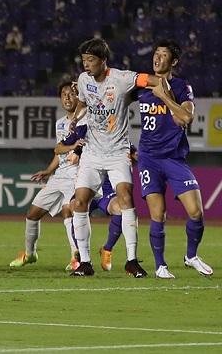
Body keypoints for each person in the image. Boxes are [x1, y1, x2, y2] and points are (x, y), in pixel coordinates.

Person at [69, 38, 162, 277]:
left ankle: (131, 260)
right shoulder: (83, 80)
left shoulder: (121, 79)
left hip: (117, 151)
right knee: (78, 203)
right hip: (92, 152)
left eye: (91, 60)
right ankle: (86, 263)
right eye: (83, 60)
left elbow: (150, 80)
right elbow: (82, 102)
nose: (86, 65)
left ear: (103, 60)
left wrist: (163, 88)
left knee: (125, 198)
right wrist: (75, 117)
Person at [134, 39, 213, 278]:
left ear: (174, 61)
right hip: (148, 157)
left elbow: (186, 118)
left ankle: (191, 256)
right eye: (156, 53)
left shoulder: (181, 87)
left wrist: (165, 98)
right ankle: (160, 266)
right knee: (158, 214)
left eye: (164, 54)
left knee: (196, 211)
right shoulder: (141, 85)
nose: (157, 57)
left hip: (174, 158)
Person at [9, 80, 85, 271]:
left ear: (79, 97)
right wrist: (49, 170)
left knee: (69, 212)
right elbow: (59, 152)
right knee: (32, 215)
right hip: (59, 176)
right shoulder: (60, 124)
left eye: (72, 93)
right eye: (64, 94)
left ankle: (76, 258)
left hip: (77, 176)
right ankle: (30, 253)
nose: (68, 97)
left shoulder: (86, 120)